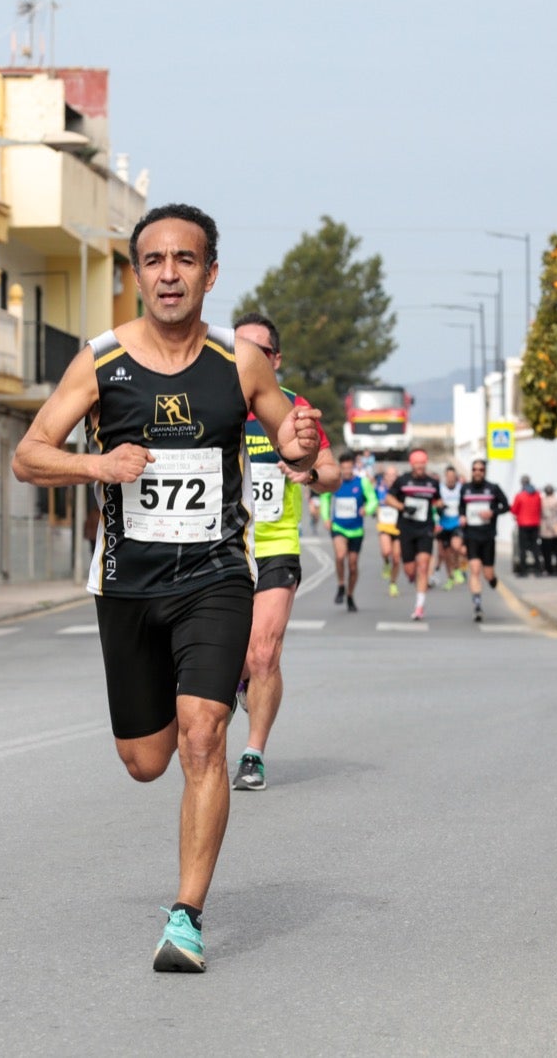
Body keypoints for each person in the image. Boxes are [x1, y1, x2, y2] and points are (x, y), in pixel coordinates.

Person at [11, 203, 321, 973]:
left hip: (215, 576)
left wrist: (301, 443)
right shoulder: (101, 361)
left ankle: (186, 917)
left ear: (210, 273)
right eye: (155, 261)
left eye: (186, 260)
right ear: (138, 274)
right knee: (145, 760)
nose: (170, 274)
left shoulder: (240, 364)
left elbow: (291, 441)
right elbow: (29, 453)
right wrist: (98, 465)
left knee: (203, 735)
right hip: (126, 586)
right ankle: (172, 758)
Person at [231, 311, 338, 795]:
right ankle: (240, 684)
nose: (250, 359)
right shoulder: (213, 404)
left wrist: (309, 474)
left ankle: (253, 754)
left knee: (264, 652)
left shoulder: (295, 409)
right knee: (232, 656)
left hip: (275, 544)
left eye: (261, 352)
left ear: (276, 359)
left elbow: (333, 471)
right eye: (241, 349)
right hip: (220, 545)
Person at [385, 449, 445, 621]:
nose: (419, 466)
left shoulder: (432, 483)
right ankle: (412, 576)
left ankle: (419, 607)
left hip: (425, 528)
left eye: (422, 463)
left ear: (425, 464)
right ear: (412, 464)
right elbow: (389, 499)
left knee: (424, 566)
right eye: (416, 463)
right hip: (406, 528)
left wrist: (441, 505)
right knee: (410, 569)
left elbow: (437, 500)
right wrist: (403, 507)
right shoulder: (403, 480)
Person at [458, 457, 510, 622]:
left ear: (484, 472)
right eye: (475, 470)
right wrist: (462, 517)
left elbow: (507, 506)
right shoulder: (465, 489)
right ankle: (477, 605)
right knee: (474, 569)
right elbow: (461, 507)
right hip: (471, 535)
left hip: (488, 536)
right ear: (471, 471)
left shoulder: (493, 488)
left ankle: (492, 579)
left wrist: (493, 512)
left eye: (481, 470)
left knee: (487, 574)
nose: (477, 472)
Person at [325, 449, 377, 613]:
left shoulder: (362, 482)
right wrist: (326, 517)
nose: (346, 471)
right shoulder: (335, 482)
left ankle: (350, 594)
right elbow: (324, 498)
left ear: (353, 467)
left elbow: (373, 500)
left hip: (356, 530)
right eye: (343, 468)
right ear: (340, 468)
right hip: (339, 527)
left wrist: (367, 509)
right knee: (340, 556)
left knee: (353, 566)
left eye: (349, 468)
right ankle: (341, 584)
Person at [438, 465, 466, 588]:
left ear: (456, 477)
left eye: (452, 476)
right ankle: (450, 577)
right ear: (445, 477)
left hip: (457, 523)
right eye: (448, 476)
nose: (450, 479)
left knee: (456, 546)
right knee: (446, 554)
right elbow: (434, 504)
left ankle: (458, 569)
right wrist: (439, 506)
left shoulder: (461, 489)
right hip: (443, 524)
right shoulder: (440, 489)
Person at [375, 464, 401, 595]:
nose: (391, 478)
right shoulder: (379, 488)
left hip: (397, 528)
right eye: (389, 475)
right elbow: (371, 500)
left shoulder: (401, 490)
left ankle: (393, 583)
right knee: (386, 551)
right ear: (384, 477)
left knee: (396, 558)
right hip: (384, 526)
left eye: (394, 475)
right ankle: (386, 562)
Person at [511, 475, 544, 576]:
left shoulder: (520, 495)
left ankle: (523, 571)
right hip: (535, 524)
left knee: (523, 548)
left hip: (523, 524)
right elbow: (540, 508)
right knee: (535, 547)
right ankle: (538, 570)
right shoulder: (537, 495)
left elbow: (514, 510)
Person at [539, 484, 557, 575]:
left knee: (547, 552)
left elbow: (545, 515)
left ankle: (549, 569)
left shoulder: (543, 501)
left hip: (546, 530)